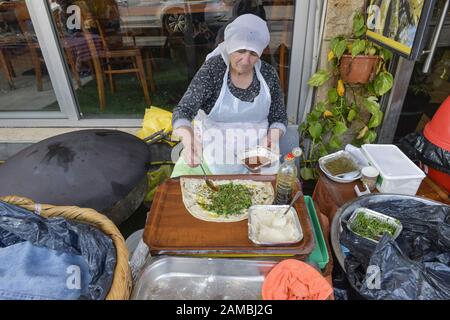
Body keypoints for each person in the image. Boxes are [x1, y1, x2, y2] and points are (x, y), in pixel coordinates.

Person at [171, 14, 287, 178]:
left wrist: (271, 139)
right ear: (230, 46)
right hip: (212, 154)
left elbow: (279, 117)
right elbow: (183, 111)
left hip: (258, 157)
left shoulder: (268, 74)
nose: (246, 60)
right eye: (240, 50)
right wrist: (189, 139)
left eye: (253, 53)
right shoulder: (213, 70)